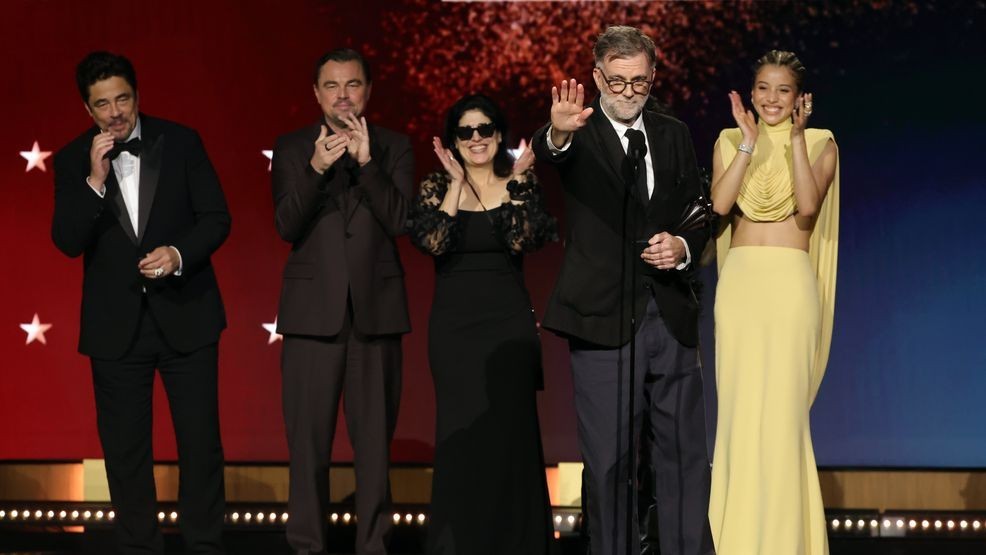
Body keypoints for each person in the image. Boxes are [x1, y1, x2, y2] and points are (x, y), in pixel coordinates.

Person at [532, 25, 715, 555]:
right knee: (609, 461)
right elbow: (552, 152)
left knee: (683, 457)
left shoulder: (672, 132)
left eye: (639, 82)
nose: (629, 92)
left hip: (670, 315)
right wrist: (558, 134)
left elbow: (697, 208)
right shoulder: (578, 130)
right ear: (597, 77)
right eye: (617, 81)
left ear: (653, 76)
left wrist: (682, 245)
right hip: (602, 318)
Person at [51, 51, 230, 554]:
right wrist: (94, 180)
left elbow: (216, 218)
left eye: (122, 99)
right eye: (102, 104)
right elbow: (67, 241)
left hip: (187, 316)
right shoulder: (72, 159)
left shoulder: (182, 141)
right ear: (87, 109)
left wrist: (178, 255)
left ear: (137, 95)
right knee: (125, 454)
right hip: (116, 329)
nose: (115, 113)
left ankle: (204, 546)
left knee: (200, 446)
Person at [270, 47, 414, 555]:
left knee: (374, 452)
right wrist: (315, 168)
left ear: (368, 91)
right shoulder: (292, 148)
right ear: (316, 94)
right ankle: (307, 545)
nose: (342, 95)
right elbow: (287, 224)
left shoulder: (394, 147)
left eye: (352, 85)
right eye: (331, 86)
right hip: (311, 318)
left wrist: (368, 164)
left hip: (376, 316)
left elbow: (402, 220)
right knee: (307, 450)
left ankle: (374, 545)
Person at [409, 93, 556, 555]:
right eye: (465, 131)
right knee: (461, 438)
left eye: (485, 129)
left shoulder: (519, 181)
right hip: (454, 334)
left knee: (510, 438)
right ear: (454, 140)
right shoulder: (436, 186)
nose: (476, 138)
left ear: (498, 134)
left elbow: (525, 238)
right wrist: (455, 185)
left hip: (508, 330)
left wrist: (520, 180)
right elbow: (433, 242)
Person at [707, 50, 839, 555]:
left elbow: (807, 205)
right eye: (763, 87)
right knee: (739, 415)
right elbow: (720, 205)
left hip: (789, 287)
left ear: (800, 97)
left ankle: (786, 542)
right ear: (752, 92)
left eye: (783, 90)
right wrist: (748, 142)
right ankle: (734, 541)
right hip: (740, 286)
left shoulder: (823, 142)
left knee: (783, 417)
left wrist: (797, 140)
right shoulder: (728, 141)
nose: (772, 98)